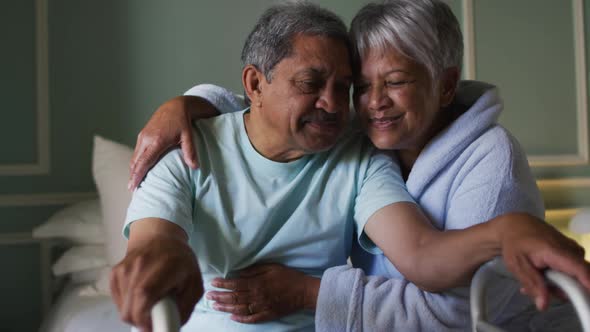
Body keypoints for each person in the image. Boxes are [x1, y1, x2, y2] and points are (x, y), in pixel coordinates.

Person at [121, 1, 590, 331]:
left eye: (395, 82)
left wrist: (505, 230)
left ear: (445, 86)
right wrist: (185, 103)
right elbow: (161, 236)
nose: (348, 103)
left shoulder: (370, 158)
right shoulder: (188, 146)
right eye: (359, 88)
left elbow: (437, 280)